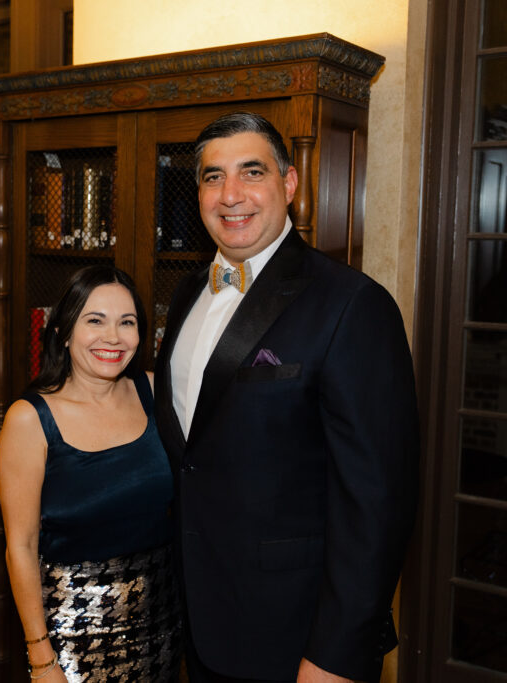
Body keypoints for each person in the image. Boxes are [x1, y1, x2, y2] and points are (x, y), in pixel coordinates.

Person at [154, 111, 419, 683]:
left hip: (298, 640)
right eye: (212, 177)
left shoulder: (353, 306)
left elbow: (377, 503)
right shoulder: (183, 297)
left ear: (290, 183)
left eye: (252, 172)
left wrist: (336, 655)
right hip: (198, 625)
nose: (231, 195)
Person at [0, 265, 183, 682]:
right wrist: (42, 658)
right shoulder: (29, 420)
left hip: (162, 630)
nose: (113, 337)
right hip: (73, 639)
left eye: (127, 322)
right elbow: (21, 548)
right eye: (95, 320)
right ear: (64, 331)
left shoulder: (154, 392)